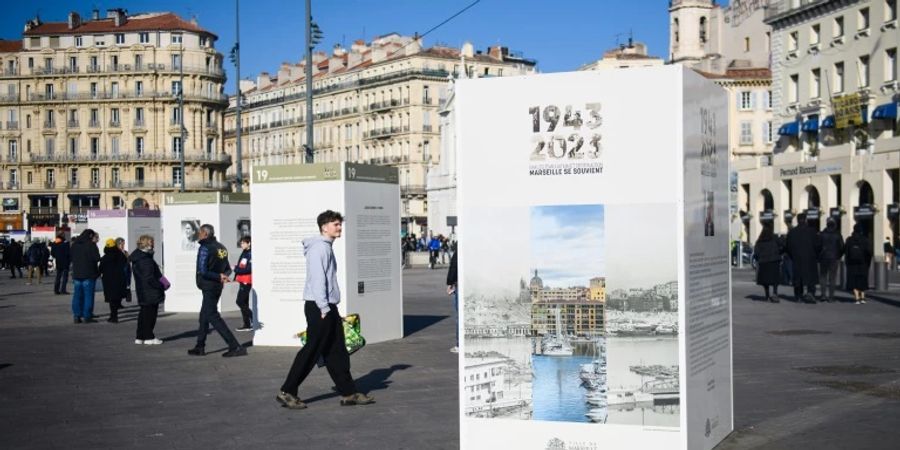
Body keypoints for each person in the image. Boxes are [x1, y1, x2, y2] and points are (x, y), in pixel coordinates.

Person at [276, 210, 374, 409]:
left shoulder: (325, 247)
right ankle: (287, 391)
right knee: (312, 350)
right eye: (335, 224)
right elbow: (318, 278)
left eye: (339, 224)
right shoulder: (319, 248)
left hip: (327, 306)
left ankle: (348, 392)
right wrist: (323, 306)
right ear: (324, 227)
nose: (339, 227)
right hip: (320, 306)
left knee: (337, 350)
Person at [187, 224, 246, 357]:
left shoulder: (205, 248)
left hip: (209, 284)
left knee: (212, 315)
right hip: (217, 285)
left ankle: (235, 346)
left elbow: (202, 270)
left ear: (205, 234)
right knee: (204, 315)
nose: (199, 235)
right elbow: (227, 268)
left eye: (200, 233)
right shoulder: (221, 247)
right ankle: (199, 346)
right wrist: (222, 276)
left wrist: (218, 276)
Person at [130, 235, 165, 345]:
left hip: (143, 290)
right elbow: (149, 278)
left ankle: (140, 336)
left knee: (144, 314)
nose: (154, 244)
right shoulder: (145, 259)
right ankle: (149, 337)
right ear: (147, 244)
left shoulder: (139, 257)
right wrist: (161, 285)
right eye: (152, 242)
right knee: (150, 315)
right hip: (150, 291)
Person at [785, 213, 821, 303]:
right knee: (811, 277)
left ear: (797, 220)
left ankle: (798, 295)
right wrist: (816, 255)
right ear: (805, 220)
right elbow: (818, 245)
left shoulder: (792, 232)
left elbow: (788, 247)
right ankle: (811, 293)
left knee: (798, 277)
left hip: (797, 258)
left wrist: (792, 256)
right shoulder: (812, 231)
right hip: (810, 257)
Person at [71, 229, 101, 323]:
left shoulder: (75, 245)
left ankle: (77, 315)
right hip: (89, 274)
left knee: (77, 295)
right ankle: (87, 315)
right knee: (88, 295)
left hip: (77, 274)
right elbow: (97, 258)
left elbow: (71, 257)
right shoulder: (91, 245)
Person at [99, 238, 129, 323]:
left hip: (108, 280)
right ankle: (114, 315)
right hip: (119, 278)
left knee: (111, 299)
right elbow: (125, 263)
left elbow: (100, 268)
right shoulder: (120, 255)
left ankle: (113, 316)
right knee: (116, 297)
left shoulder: (105, 257)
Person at [845, 223, 873, 304]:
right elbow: (869, 253)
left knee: (853, 280)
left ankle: (857, 298)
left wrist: (847, 262)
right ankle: (863, 298)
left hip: (852, 263)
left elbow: (846, 252)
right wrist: (868, 263)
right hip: (863, 263)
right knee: (862, 279)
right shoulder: (865, 240)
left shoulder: (849, 240)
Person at [818, 219, 844, 302]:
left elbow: (818, 246)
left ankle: (823, 295)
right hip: (834, 258)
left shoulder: (822, 234)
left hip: (823, 258)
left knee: (823, 277)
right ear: (834, 225)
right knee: (832, 278)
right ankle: (831, 297)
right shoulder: (837, 234)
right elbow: (842, 247)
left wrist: (819, 256)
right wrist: (838, 256)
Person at [753, 226, 782, 303]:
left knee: (765, 280)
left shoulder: (759, 241)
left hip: (764, 263)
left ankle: (767, 295)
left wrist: (758, 259)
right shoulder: (774, 239)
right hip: (774, 261)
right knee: (775, 279)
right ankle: (775, 293)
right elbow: (782, 245)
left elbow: (756, 253)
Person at [233, 235, 254, 332]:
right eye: (241, 243)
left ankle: (254, 318)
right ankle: (247, 324)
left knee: (239, 301)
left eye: (243, 243)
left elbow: (249, 269)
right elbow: (242, 265)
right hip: (242, 280)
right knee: (244, 302)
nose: (241, 244)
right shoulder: (245, 252)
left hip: (247, 280)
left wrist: (236, 269)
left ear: (249, 243)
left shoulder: (250, 253)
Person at [446, 248, 459, 352]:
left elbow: (454, 265)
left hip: (460, 284)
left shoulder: (461, 245)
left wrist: (450, 282)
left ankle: (460, 345)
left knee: (460, 316)